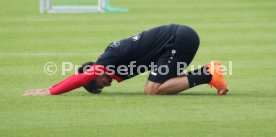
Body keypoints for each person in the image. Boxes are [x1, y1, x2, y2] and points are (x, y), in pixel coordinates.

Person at [24, 24, 228, 96]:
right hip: (175, 41)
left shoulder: (107, 60)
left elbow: (80, 78)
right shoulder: (109, 61)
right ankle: (207, 75)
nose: (107, 85)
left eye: (100, 83)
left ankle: (208, 74)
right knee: (159, 84)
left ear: (94, 74)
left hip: (179, 39)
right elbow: (83, 76)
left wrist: (50, 91)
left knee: (152, 90)